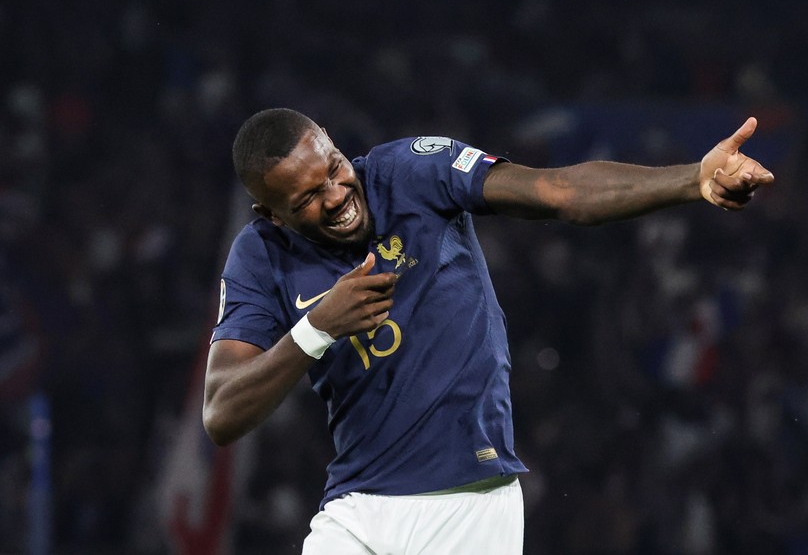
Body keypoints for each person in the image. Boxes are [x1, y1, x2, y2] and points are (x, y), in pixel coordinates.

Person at [202, 108, 774, 553]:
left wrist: (690, 179)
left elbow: (559, 193)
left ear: (331, 139)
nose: (335, 196)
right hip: (354, 507)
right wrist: (318, 328)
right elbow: (221, 413)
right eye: (306, 198)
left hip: (467, 502)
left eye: (333, 168)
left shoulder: (413, 172)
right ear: (270, 213)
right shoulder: (260, 256)